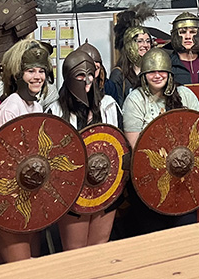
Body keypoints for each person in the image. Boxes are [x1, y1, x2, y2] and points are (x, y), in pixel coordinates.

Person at [0, 39, 53, 263]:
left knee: (34, 263)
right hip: (9, 200)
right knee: (20, 269)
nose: (37, 77)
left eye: (41, 71)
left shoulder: (36, 106)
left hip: (29, 196)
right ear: (17, 74)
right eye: (30, 71)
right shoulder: (9, 110)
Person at [121, 47, 199, 235]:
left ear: (169, 73)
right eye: (152, 71)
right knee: (155, 236)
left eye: (161, 71)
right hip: (149, 180)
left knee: (186, 233)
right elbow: (136, 147)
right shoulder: (135, 99)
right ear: (144, 74)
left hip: (184, 177)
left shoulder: (185, 95)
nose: (157, 75)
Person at [47, 50, 121, 250]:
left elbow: (120, 148)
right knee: (75, 253)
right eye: (80, 76)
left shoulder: (108, 105)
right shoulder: (55, 111)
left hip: (105, 184)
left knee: (99, 249)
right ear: (69, 77)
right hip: (73, 191)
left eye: (89, 75)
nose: (86, 81)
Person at [109, 3, 156, 105]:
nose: (145, 45)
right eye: (140, 41)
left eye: (148, 41)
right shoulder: (118, 75)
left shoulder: (154, 71)